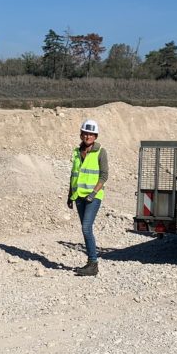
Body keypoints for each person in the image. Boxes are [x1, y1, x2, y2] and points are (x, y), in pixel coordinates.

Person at [66, 118, 108, 276]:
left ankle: (93, 263)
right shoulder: (77, 152)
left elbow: (104, 175)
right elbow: (74, 174)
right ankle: (91, 263)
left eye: (91, 134)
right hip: (78, 197)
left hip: (93, 197)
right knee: (85, 229)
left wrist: (93, 193)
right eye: (85, 133)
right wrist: (70, 195)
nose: (88, 136)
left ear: (95, 136)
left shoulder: (100, 152)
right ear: (81, 135)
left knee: (86, 227)